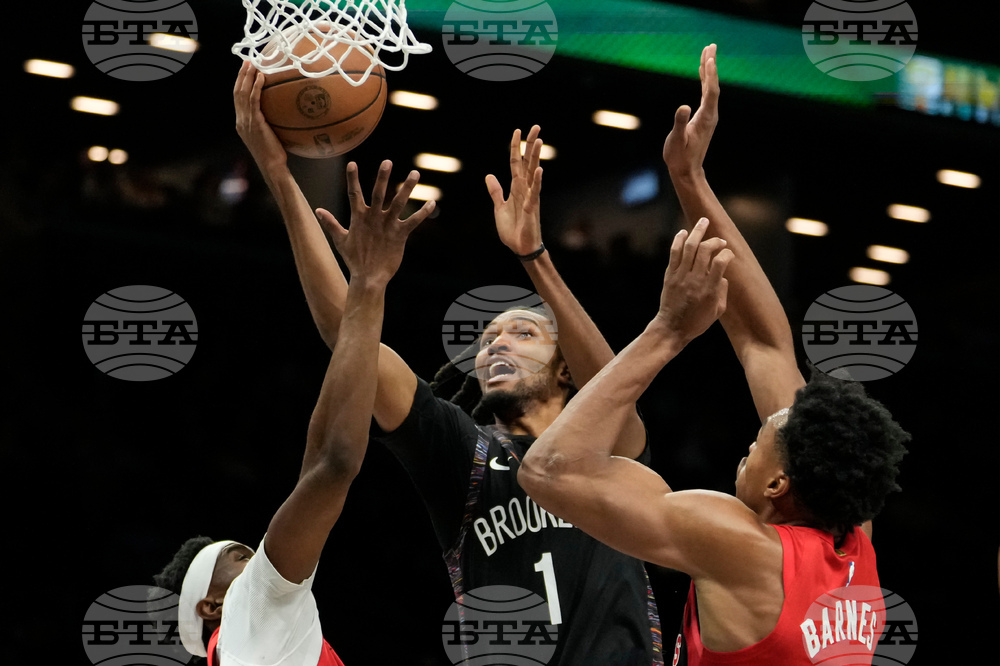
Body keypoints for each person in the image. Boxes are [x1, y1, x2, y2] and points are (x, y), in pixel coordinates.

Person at [234, 61, 663, 663]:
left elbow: (614, 386)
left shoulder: (607, 450)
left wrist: (534, 256)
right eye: (487, 340)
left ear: (566, 371)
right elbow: (347, 331)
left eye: (521, 332)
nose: (495, 346)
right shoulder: (462, 453)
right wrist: (282, 176)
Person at [518, 45, 910, 666]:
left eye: (761, 441)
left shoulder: (738, 542)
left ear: (779, 483)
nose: (749, 441)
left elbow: (549, 472)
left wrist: (668, 330)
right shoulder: (852, 539)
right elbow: (764, 341)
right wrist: (690, 180)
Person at [149, 61, 435, 666]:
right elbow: (333, 465)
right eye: (240, 557)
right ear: (210, 605)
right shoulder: (252, 610)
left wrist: (363, 295)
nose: (260, 554)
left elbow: (317, 465)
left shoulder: (254, 635)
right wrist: (368, 289)